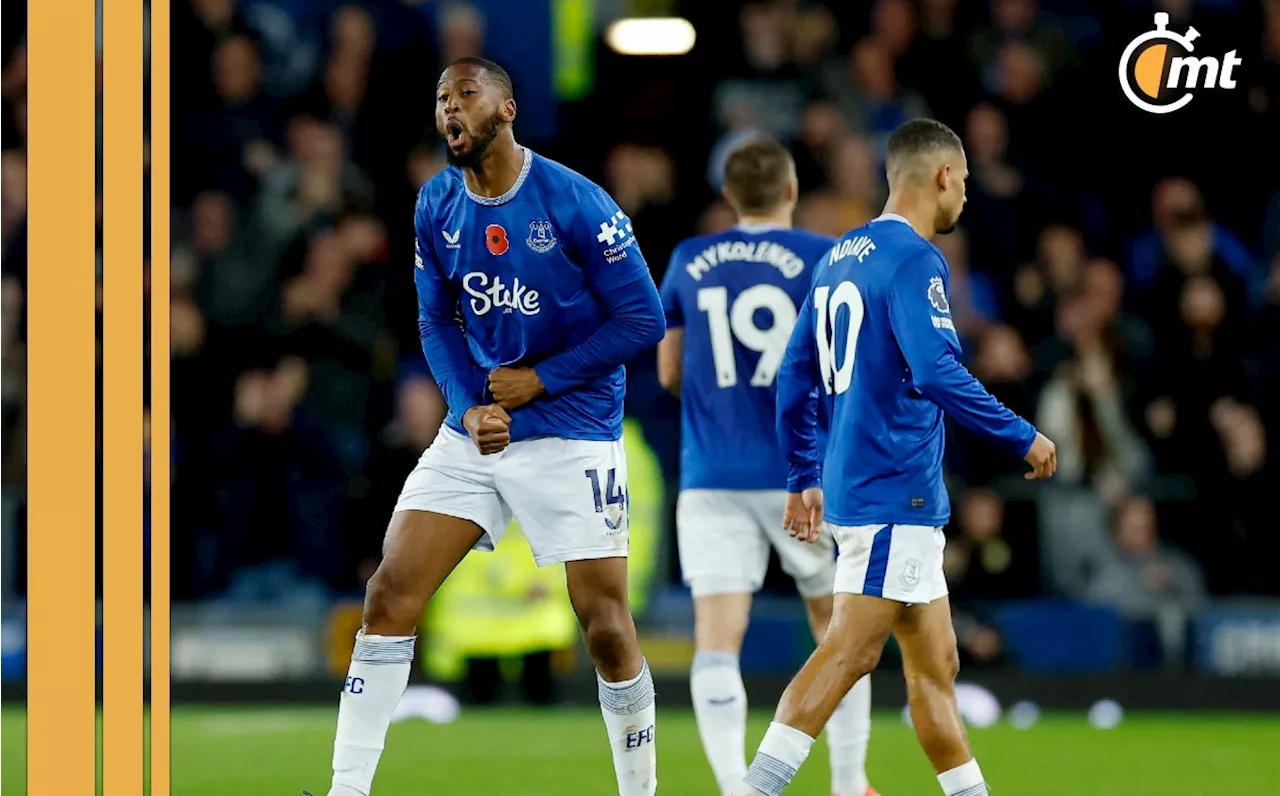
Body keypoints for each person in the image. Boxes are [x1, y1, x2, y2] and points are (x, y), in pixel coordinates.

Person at [320, 57, 664, 796]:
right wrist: (466, 402)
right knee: (389, 594)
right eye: (442, 97)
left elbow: (645, 318)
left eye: (466, 95)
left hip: (573, 430)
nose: (450, 109)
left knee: (605, 627)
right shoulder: (435, 204)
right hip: (475, 432)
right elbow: (436, 317)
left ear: (506, 111)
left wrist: (542, 380)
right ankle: (348, 790)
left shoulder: (578, 203)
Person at [736, 118, 1057, 796]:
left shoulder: (839, 257)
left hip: (873, 492)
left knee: (935, 666)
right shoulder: (916, 260)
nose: (964, 197)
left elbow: (795, 375)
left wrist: (802, 474)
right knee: (849, 652)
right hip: (893, 491)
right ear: (941, 176)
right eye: (963, 183)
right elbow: (937, 372)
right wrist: (1020, 435)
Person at [656, 137, 878, 796]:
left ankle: (734, 785)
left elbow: (670, 371)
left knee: (718, 639)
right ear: (790, 193)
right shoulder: (822, 256)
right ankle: (847, 782)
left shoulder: (690, 260)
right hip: (802, 475)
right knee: (837, 633)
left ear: (729, 197)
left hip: (712, 476)